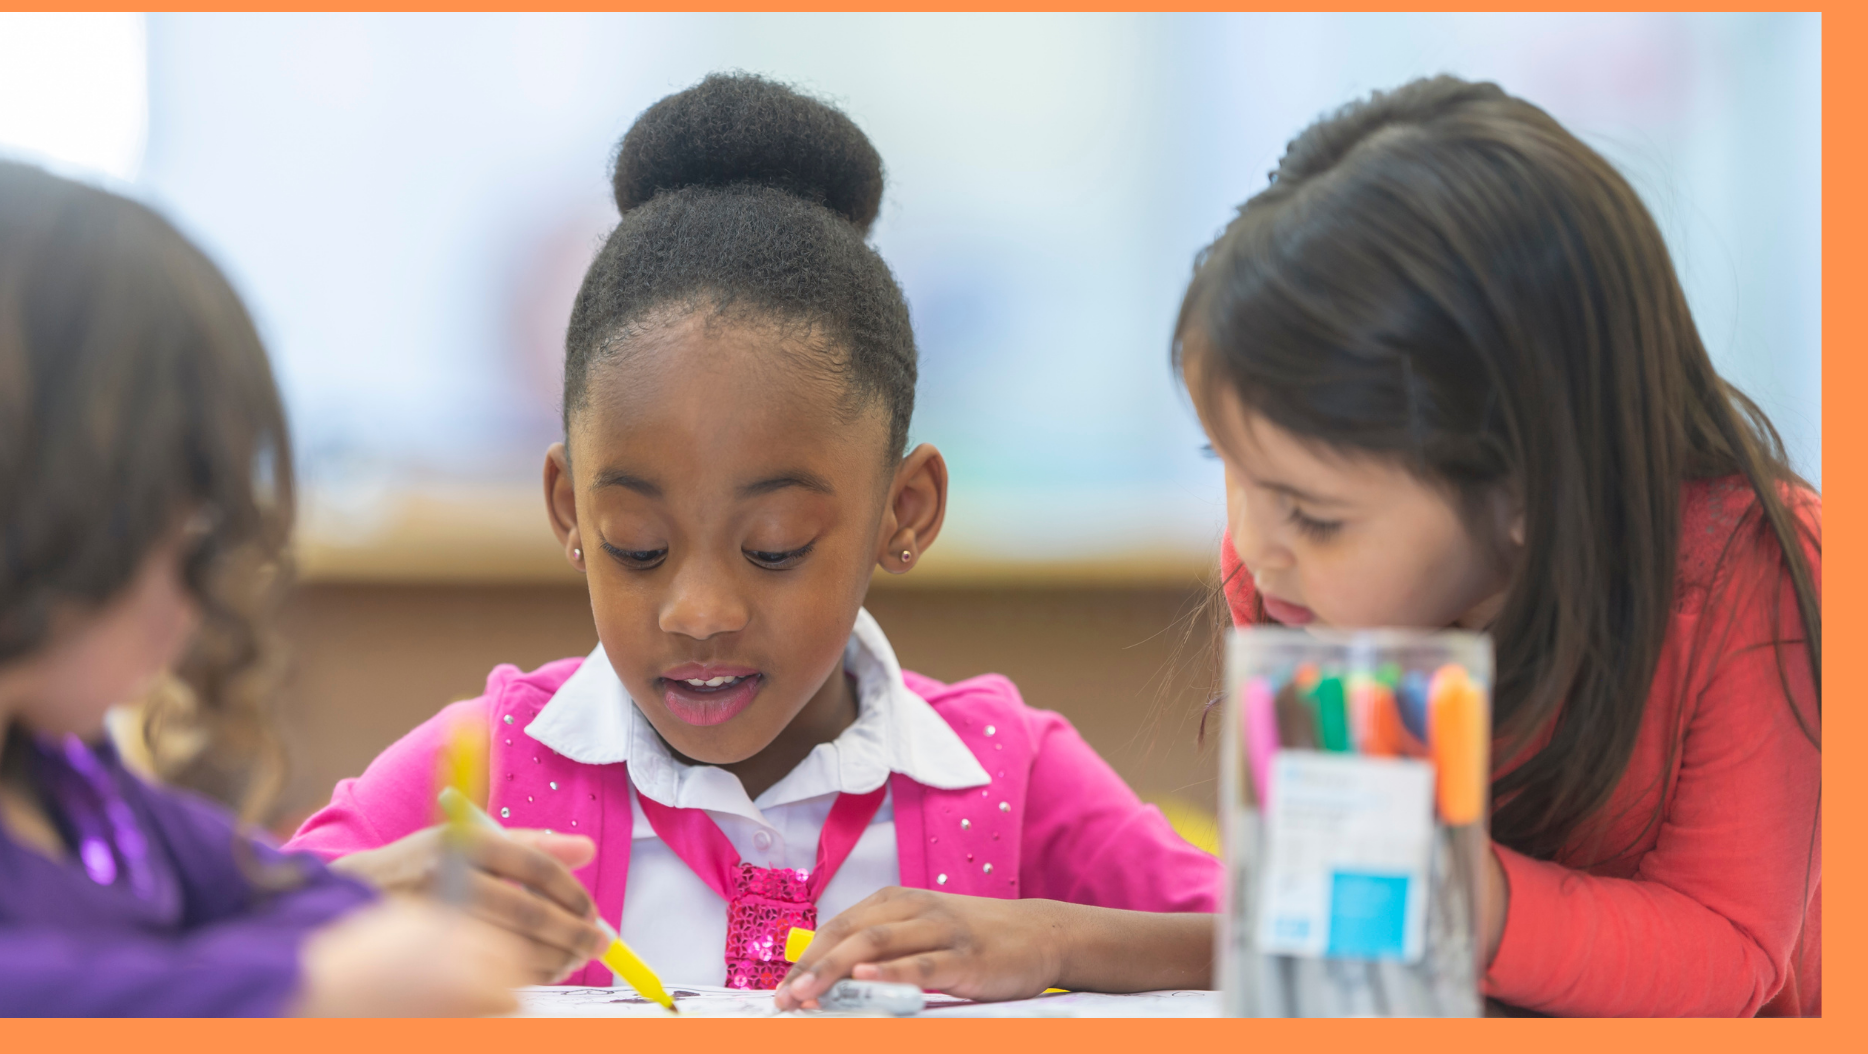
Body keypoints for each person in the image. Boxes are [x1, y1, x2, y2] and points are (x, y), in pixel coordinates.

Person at [286, 74, 1220, 996]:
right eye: (637, 546)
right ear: (569, 511)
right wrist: (358, 899)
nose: (700, 613)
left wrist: (1057, 941)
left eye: (774, 548)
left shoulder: (1000, 779)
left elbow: (1274, 946)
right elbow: (180, 952)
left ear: (906, 512)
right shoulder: (493, 771)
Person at [1179, 77, 1819, 1016]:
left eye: (1315, 515)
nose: (1252, 551)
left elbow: (1729, 957)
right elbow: (1330, 947)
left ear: (1529, 486)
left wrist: (1454, 893)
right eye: (1228, 466)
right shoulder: (1296, 587)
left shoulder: (1751, 571)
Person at [0, 162, 537, 1016]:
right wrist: (304, 984)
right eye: (179, 547)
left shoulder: (77, 784)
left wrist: (370, 930)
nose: (195, 606)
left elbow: (277, 893)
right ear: (50, 512)